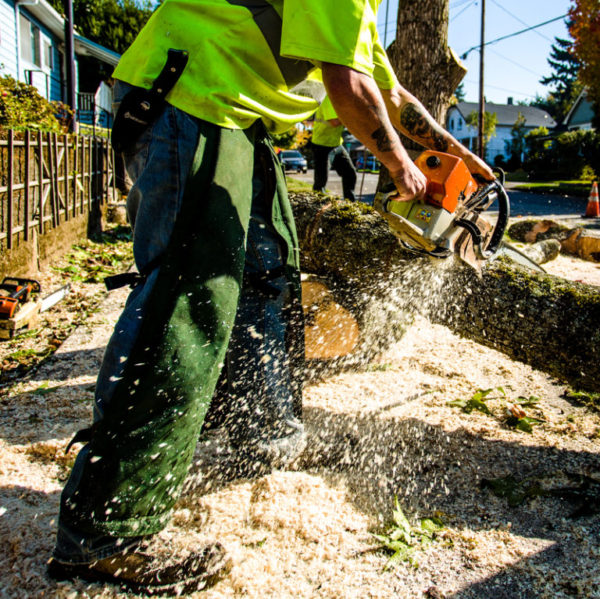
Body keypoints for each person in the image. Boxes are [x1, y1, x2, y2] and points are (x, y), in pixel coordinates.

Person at [47, 0, 494, 595]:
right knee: (189, 298)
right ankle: (106, 530)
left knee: (268, 273)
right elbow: (350, 87)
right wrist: (400, 167)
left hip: (237, 120)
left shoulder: (355, 11)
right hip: (190, 100)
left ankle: (266, 434)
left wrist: (457, 155)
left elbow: (389, 91)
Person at [312, 95, 357, 201]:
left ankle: (349, 203)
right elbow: (335, 122)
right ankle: (317, 207)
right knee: (321, 182)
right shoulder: (328, 98)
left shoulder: (342, 99)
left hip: (336, 145)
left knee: (350, 174)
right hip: (321, 145)